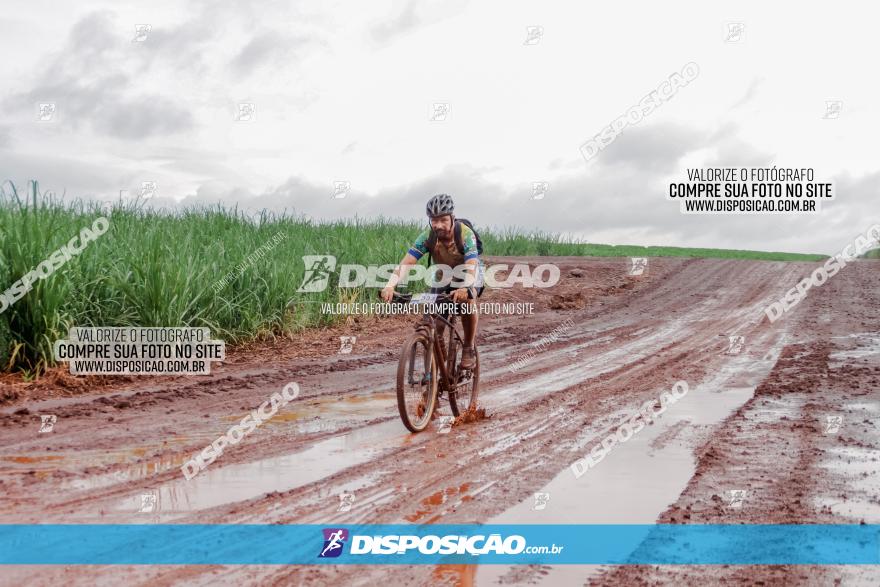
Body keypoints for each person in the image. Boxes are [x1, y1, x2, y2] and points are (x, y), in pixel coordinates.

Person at [380, 194, 483, 369]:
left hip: (469, 273)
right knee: (434, 318)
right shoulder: (428, 237)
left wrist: (466, 287)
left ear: (452, 217)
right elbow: (407, 262)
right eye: (434, 220)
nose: (438, 225)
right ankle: (437, 367)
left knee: (467, 302)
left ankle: (468, 347)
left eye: (443, 219)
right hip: (444, 276)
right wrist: (390, 285)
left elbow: (472, 263)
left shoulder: (465, 234)